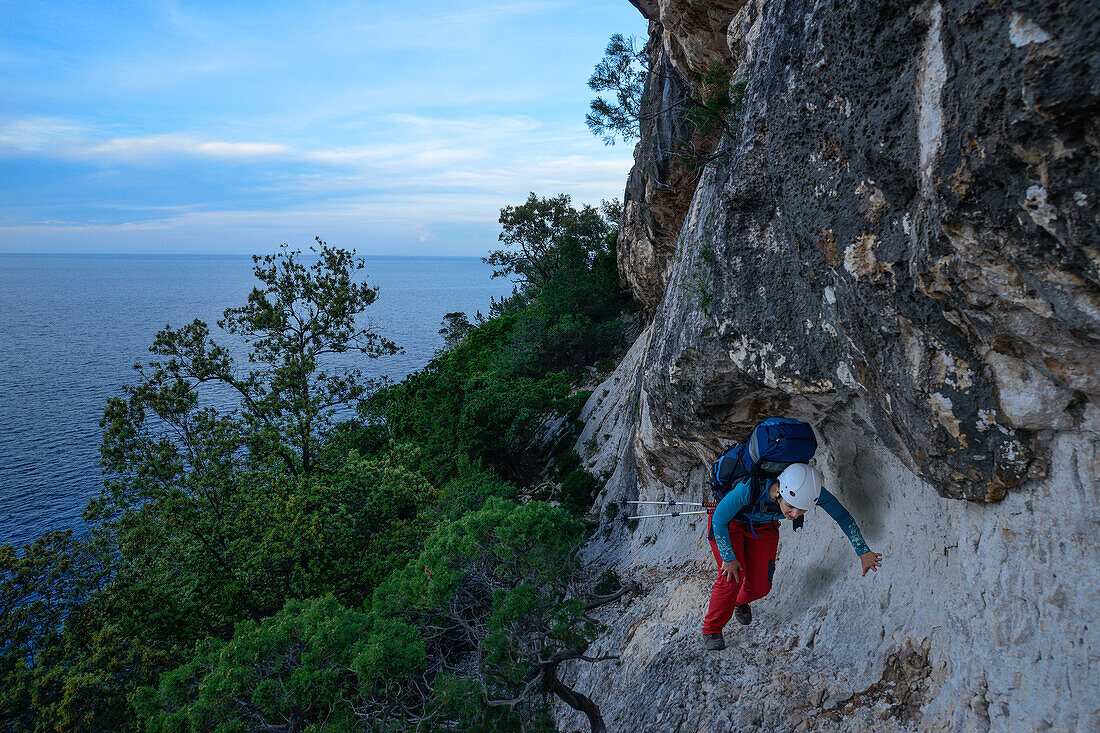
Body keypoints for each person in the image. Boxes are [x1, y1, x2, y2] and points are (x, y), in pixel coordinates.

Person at [702, 463, 882, 650]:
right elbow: (719, 519)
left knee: (761, 587)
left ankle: (739, 601)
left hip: (764, 526)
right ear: (779, 492)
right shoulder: (750, 488)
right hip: (730, 523)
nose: (795, 515)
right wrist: (729, 558)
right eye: (790, 506)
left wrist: (863, 551)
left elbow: (842, 516)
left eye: (802, 510)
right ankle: (712, 629)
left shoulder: (812, 492)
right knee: (732, 578)